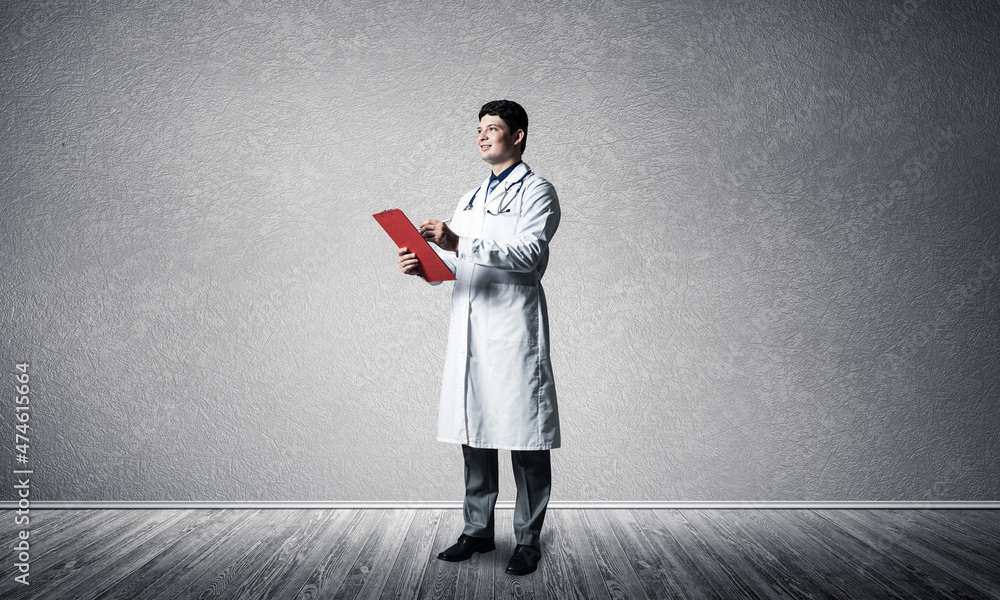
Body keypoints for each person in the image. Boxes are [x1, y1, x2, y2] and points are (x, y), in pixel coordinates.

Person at [396, 99, 560, 576]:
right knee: (474, 431)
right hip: (470, 331)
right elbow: (457, 262)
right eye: (479, 130)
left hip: (511, 330)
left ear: (519, 135)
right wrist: (425, 267)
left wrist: (457, 243)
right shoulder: (469, 196)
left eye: (493, 128)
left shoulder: (538, 191)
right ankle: (477, 531)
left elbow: (528, 253)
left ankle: (528, 541)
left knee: (525, 437)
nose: (483, 136)